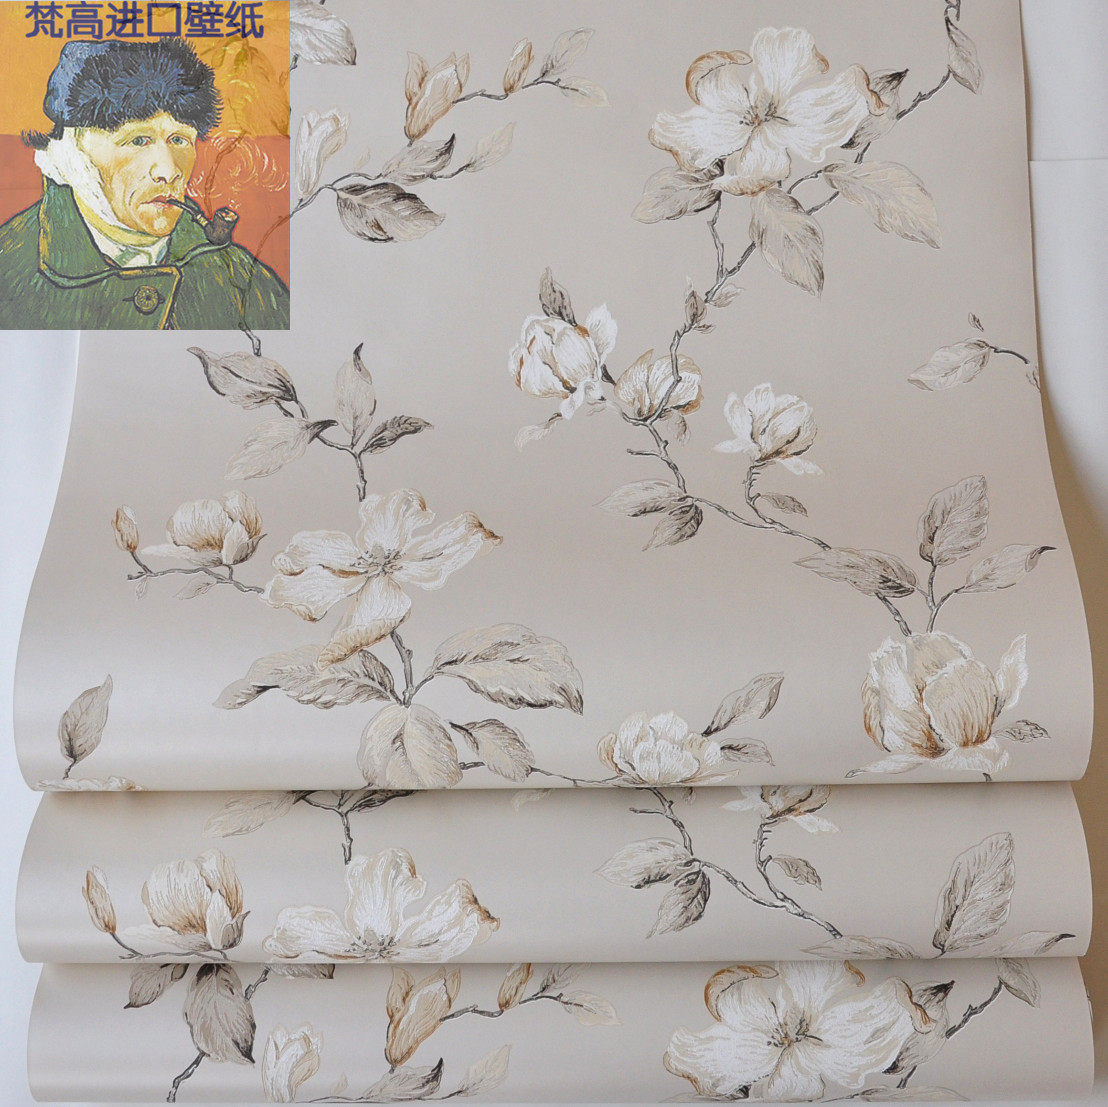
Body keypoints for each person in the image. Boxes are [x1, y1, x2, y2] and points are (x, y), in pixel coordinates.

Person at [0, 37, 289, 330]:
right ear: (75, 151)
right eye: (138, 140)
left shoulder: (242, 279)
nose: (169, 171)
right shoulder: (10, 269)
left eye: (179, 140)